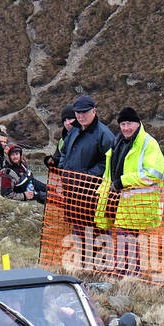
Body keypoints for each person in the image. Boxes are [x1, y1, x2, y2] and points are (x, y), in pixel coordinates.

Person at [94, 107, 163, 277]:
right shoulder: (118, 142)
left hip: (136, 203)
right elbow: (109, 172)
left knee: (127, 238)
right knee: (123, 237)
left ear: (138, 123)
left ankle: (128, 274)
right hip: (117, 199)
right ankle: (124, 272)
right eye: (123, 124)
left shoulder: (149, 143)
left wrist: (123, 182)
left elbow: (153, 174)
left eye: (129, 123)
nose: (126, 128)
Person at [50, 93, 113, 235]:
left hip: (93, 196)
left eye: (84, 112)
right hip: (72, 194)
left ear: (94, 111)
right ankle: (81, 257)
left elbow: (109, 161)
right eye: (78, 112)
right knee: (78, 235)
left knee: (97, 237)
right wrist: (63, 169)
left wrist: (87, 176)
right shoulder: (74, 130)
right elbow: (64, 151)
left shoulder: (104, 134)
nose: (80, 115)